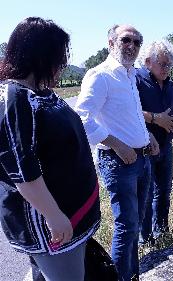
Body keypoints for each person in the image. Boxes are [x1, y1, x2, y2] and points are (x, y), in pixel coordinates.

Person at [0, 17, 100, 281]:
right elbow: (21, 168)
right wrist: (54, 216)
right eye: (59, 56)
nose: (63, 65)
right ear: (41, 55)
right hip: (50, 225)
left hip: (71, 215)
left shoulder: (41, 92)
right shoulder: (14, 98)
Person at [75, 24, 159, 281]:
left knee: (135, 223)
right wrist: (115, 143)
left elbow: (127, 116)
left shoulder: (129, 74)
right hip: (118, 161)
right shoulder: (100, 75)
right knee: (126, 226)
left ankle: (131, 275)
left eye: (137, 41)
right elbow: (81, 117)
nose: (132, 46)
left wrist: (148, 135)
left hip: (141, 158)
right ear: (110, 43)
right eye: (126, 40)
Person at [137, 40, 173, 243]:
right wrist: (156, 118)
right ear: (148, 62)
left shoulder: (171, 85)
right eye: (163, 64)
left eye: (169, 65)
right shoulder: (137, 81)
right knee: (146, 195)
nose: (166, 69)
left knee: (164, 190)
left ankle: (161, 232)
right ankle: (145, 238)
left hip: (166, 145)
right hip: (145, 148)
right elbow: (130, 112)